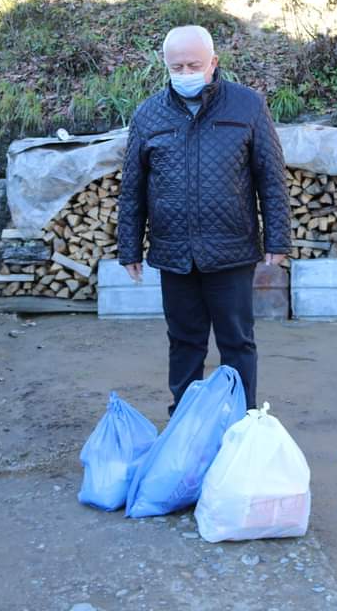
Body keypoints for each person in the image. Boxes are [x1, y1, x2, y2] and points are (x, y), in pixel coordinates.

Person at [117, 25, 291, 415]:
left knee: (237, 342)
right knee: (184, 342)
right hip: (173, 252)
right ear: (165, 65)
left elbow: (271, 176)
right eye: (177, 67)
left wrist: (278, 239)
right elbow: (133, 187)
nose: (186, 73)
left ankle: (242, 422)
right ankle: (185, 422)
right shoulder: (148, 114)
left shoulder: (247, 106)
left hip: (231, 250)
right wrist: (129, 247)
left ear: (213, 62)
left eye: (193, 65)